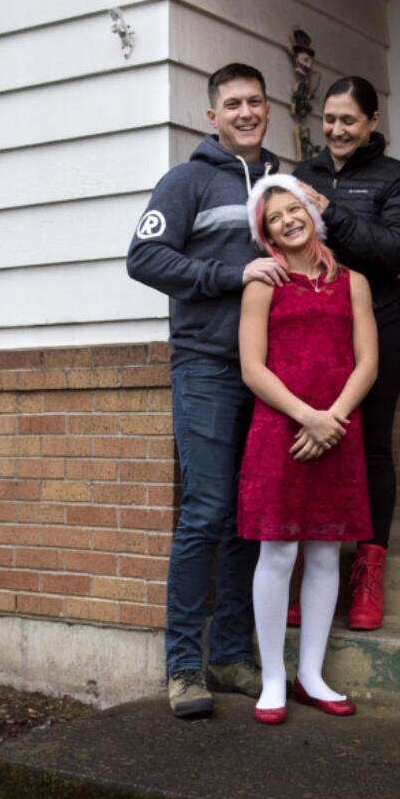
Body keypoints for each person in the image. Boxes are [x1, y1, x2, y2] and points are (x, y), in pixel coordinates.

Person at [127, 63, 291, 719]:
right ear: (212, 116)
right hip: (208, 367)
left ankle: (228, 654)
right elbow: (144, 259)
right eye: (233, 104)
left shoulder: (283, 184)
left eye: (255, 101)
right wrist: (230, 272)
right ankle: (183, 668)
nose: (246, 112)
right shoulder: (187, 180)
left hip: (272, 372)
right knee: (206, 511)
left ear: (268, 108)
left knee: (251, 516)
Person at [237, 173, 378, 724]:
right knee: (278, 552)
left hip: (340, 429)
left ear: (312, 213)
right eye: (274, 218)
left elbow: (367, 359)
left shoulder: (354, 282)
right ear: (265, 233)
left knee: (324, 552)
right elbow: (252, 367)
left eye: (293, 210)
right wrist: (307, 418)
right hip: (282, 430)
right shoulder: (262, 284)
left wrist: (334, 418)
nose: (288, 221)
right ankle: (273, 676)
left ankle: (310, 674)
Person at [293, 76, 400, 630]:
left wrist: (335, 215)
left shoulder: (397, 179)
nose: (337, 130)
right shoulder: (303, 174)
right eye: (329, 119)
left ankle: (369, 570)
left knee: (370, 443)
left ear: (372, 121)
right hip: (316, 325)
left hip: (384, 322)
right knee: (314, 441)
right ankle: (312, 570)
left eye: (349, 120)